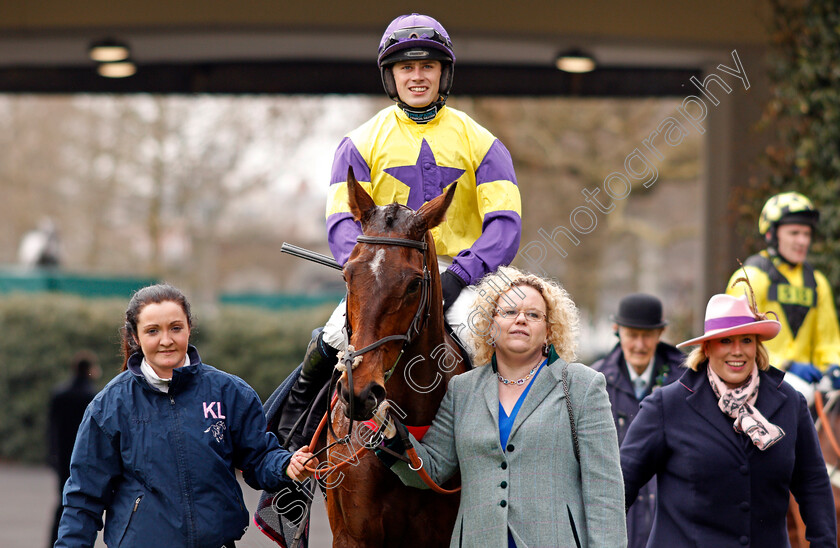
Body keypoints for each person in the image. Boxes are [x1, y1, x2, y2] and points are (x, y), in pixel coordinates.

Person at [277, 12, 522, 451]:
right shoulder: (359, 143)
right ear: (391, 76)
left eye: (427, 66)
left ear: (442, 72)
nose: (417, 76)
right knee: (335, 336)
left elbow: (505, 227)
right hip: (385, 273)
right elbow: (341, 225)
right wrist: (371, 272)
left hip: (467, 274)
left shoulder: (484, 142)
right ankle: (291, 445)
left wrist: (459, 275)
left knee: (508, 337)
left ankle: (511, 451)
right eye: (406, 67)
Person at [378, 266, 626, 547]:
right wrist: (389, 431)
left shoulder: (583, 385)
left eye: (533, 315)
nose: (521, 319)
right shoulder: (462, 389)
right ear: (489, 324)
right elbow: (430, 471)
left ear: (548, 331)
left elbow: (605, 491)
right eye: (509, 312)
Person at [55, 284, 317, 548]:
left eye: (175, 328)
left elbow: (259, 457)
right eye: (153, 331)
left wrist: (286, 465)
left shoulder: (230, 392)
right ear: (135, 337)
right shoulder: (109, 406)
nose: (166, 340)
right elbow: (83, 498)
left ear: (189, 328)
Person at [621, 291, 836, 547]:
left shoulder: (790, 403)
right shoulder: (666, 406)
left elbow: (814, 484)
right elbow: (620, 486)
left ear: (756, 345)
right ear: (707, 347)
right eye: (725, 341)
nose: (737, 351)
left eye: (746, 340)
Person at [726, 191, 840, 402]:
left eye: (806, 234)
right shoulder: (750, 277)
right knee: (799, 394)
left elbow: (829, 341)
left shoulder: (818, 283)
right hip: (760, 375)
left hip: (809, 381)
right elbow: (735, 341)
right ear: (771, 234)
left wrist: (833, 367)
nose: (802, 240)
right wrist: (785, 364)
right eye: (794, 233)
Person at [591, 293, 682, 548]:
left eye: (648, 335)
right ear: (617, 331)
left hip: (668, 525)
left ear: (660, 333)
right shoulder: (594, 382)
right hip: (619, 525)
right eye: (632, 335)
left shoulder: (686, 383)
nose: (640, 345)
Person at [47, 350, 101, 548]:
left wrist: (51, 453)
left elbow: (51, 428)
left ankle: (54, 539)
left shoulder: (59, 393)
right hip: (83, 456)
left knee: (63, 501)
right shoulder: (93, 397)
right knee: (81, 503)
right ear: (89, 370)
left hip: (61, 455)